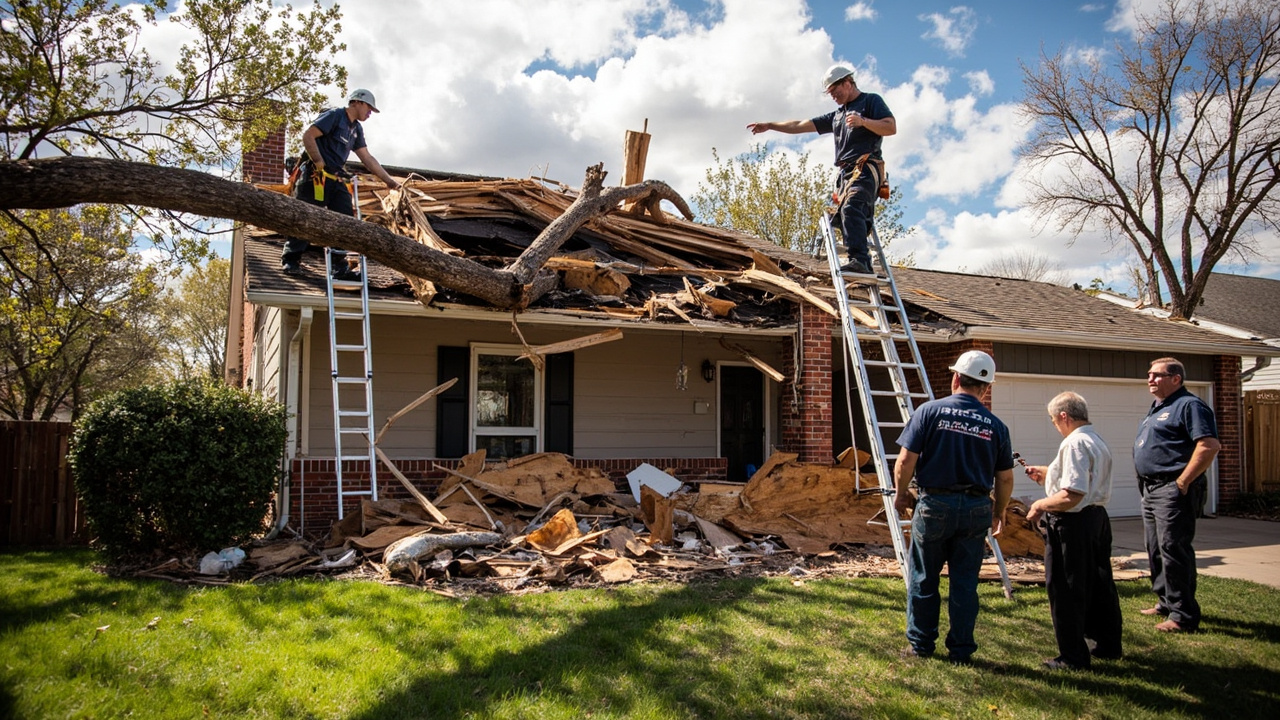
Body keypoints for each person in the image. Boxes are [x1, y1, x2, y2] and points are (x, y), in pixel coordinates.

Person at [893, 350, 1014, 663]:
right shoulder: (996, 426)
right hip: (975, 508)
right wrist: (999, 511)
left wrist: (901, 493)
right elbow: (1005, 479)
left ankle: (921, 645)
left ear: (956, 378)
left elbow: (906, 460)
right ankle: (961, 651)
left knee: (923, 577)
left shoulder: (929, 411)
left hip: (934, 504)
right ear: (986, 388)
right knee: (964, 582)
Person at [747, 63, 895, 276]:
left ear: (848, 82)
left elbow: (890, 127)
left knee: (852, 207)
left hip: (865, 167)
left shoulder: (871, 101)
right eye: (830, 94)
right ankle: (862, 231)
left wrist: (864, 122)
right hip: (846, 175)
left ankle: (861, 261)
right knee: (844, 215)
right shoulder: (837, 116)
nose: (834, 96)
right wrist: (770, 125)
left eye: (836, 91)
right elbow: (801, 124)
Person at [1025, 391, 1123, 670]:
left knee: (1066, 588)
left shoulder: (1074, 444)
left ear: (1064, 416)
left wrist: (1040, 504)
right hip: (1097, 520)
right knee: (1099, 584)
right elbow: (1083, 481)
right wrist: (1048, 474)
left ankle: (1072, 657)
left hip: (1073, 524)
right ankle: (1108, 643)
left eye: (1053, 419)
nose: (1054, 424)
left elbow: (1073, 494)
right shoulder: (1095, 439)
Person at [1133, 357, 1220, 633]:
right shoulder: (1159, 406)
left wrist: (1182, 481)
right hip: (1151, 489)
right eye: (1149, 374)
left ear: (1176, 379)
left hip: (1172, 488)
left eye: (1157, 375)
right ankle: (1165, 602)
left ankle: (1183, 615)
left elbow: (1208, 445)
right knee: (1155, 548)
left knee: (1173, 549)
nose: (1150, 379)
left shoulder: (1190, 405)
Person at [281, 88, 402, 279]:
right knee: (306, 216)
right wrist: (318, 161)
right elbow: (308, 136)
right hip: (316, 176)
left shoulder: (356, 129)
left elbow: (367, 159)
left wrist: (390, 182)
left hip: (334, 179)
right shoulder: (335, 116)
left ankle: (338, 266)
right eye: (369, 108)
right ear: (357, 102)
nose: (370, 113)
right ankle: (291, 259)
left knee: (345, 219)